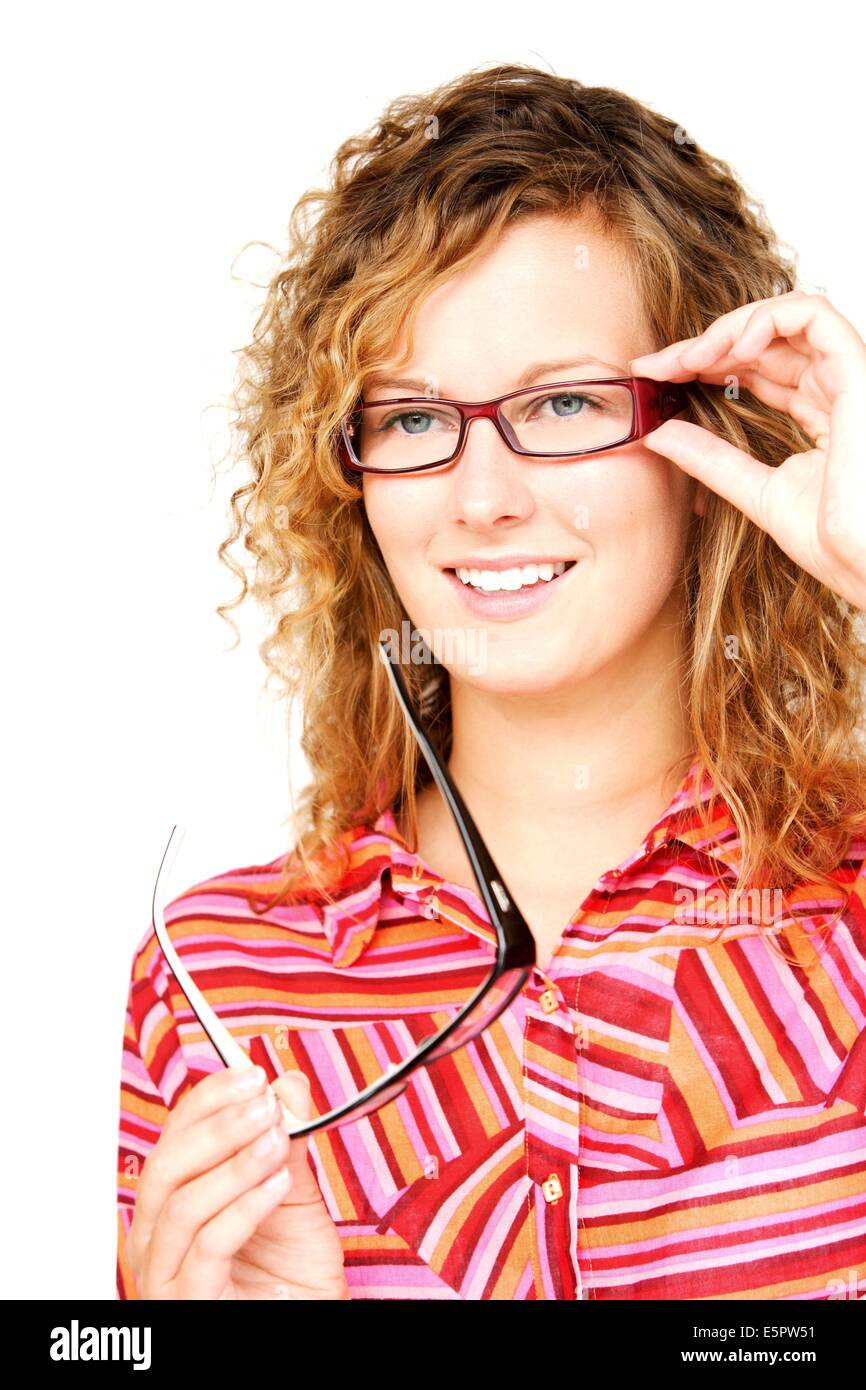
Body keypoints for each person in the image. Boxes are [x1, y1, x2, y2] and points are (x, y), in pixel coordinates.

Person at [116, 62, 866, 1301]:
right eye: (412, 420)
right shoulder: (213, 982)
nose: (480, 497)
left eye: (562, 402)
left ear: (708, 439)